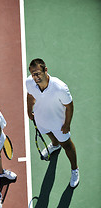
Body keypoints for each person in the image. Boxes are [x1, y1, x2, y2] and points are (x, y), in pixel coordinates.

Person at [26, 58, 79, 188]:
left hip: (59, 124)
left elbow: (69, 106)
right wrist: (29, 110)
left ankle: (74, 169)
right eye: (33, 74)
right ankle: (55, 145)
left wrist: (67, 124)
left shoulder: (60, 87)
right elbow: (30, 95)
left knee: (67, 145)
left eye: (38, 73)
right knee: (48, 134)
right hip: (41, 119)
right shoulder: (29, 82)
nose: (35, 77)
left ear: (45, 70)